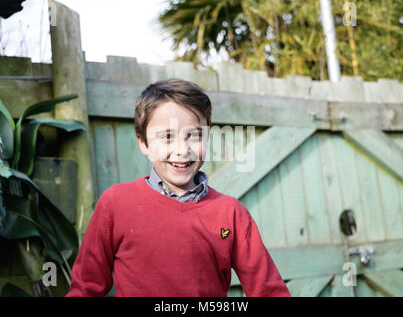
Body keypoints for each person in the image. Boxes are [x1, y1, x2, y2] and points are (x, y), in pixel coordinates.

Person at [66, 79, 290, 297]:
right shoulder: (115, 204)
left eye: (193, 136)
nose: (182, 150)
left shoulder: (231, 213)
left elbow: (269, 291)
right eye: (167, 137)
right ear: (143, 142)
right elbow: (86, 288)